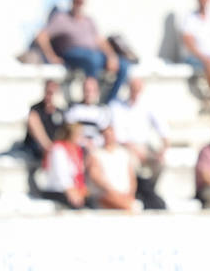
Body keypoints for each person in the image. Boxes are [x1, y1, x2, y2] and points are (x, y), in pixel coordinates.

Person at [33, 0, 130, 104]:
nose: (79, 3)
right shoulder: (62, 18)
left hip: (95, 53)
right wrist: (51, 56)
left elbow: (100, 40)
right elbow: (41, 36)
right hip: (74, 53)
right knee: (93, 60)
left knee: (124, 65)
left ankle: (109, 101)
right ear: (72, 0)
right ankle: (90, 100)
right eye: (77, 0)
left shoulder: (89, 20)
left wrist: (111, 56)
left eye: (82, 0)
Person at [110, 76, 168, 211]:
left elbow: (163, 129)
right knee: (131, 162)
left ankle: (149, 191)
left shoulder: (148, 105)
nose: (135, 92)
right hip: (126, 148)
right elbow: (119, 136)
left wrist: (163, 149)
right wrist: (135, 149)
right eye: (133, 89)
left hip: (144, 146)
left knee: (160, 163)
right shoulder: (118, 107)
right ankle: (137, 193)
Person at [85, 124, 138, 211]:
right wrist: (113, 192)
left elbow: (131, 176)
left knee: (131, 206)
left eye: (111, 134)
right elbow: (95, 176)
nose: (109, 137)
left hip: (124, 195)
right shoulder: (96, 154)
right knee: (129, 207)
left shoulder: (124, 153)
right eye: (106, 135)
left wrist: (130, 193)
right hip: (104, 195)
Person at [36, 122, 87, 209]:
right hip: (57, 190)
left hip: (72, 189)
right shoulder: (58, 149)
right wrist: (71, 191)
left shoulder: (77, 150)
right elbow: (61, 174)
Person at [64, 74, 109, 149]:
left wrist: (93, 143)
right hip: (76, 148)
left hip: (96, 149)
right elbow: (70, 133)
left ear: (97, 92)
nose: (89, 94)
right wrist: (84, 142)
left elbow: (105, 134)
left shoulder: (103, 111)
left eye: (92, 91)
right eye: (87, 90)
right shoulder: (74, 110)